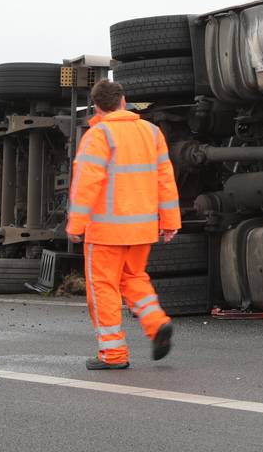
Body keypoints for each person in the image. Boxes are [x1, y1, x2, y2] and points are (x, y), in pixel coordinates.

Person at [68, 79, 181, 370]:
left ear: (97, 106)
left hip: (106, 231)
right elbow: (165, 180)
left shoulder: (99, 135)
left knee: (103, 288)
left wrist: (75, 225)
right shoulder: (152, 132)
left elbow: (85, 185)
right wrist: (170, 221)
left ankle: (113, 354)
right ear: (123, 100)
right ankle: (157, 324)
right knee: (134, 279)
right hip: (142, 229)